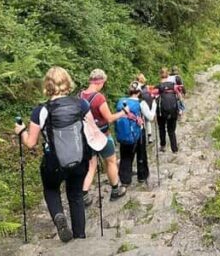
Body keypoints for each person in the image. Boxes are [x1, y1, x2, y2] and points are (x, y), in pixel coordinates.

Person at [14, 66, 94, 243]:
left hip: (54, 162)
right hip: (80, 159)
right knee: (75, 195)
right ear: (67, 82)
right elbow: (92, 132)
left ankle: (58, 215)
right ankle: (80, 236)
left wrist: (21, 132)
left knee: (51, 189)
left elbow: (30, 143)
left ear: (47, 85)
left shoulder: (40, 111)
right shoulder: (82, 104)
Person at [79, 69, 127, 205]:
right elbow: (109, 118)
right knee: (111, 161)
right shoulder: (98, 98)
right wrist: (123, 113)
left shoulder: (80, 95)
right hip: (102, 136)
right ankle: (115, 190)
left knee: (91, 165)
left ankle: (84, 195)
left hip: (87, 137)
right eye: (103, 83)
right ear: (100, 82)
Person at [116, 81, 157, 185]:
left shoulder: (121, 101)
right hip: (138, 132)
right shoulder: (140, 103)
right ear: (139, 92)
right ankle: (142, 176)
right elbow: (151, 117)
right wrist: (154, 105)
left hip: (124, 133)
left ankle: (125, 179)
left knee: (125, 156)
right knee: (141, 154)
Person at [156, 68, 182, 153]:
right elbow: (179, 97)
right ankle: (174, 149)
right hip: (173, 110)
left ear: (160, 75)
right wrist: (180, 109)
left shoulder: (158, 86)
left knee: (162, 128)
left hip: (161, 110)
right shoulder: (174, 85)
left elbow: (152, 96)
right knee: (171, 130)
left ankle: (163, 146)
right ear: (168, 75)